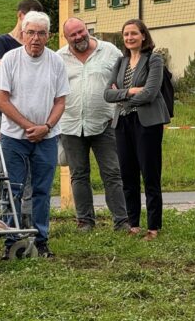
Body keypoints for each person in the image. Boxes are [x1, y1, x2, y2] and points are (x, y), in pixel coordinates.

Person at [0, 11, 70, 257]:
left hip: (46, 138)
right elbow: (2, 101)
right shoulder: (10, 59)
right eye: (30, 32)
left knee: (42, 190)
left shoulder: (56, 62)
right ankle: (10, 242)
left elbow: (60, 102)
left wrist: (45, 127)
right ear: (23, 33)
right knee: (13, 188)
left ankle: (41, 240)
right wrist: (29, 126)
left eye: (41, 33)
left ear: (48, 36)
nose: (35, 38)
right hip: (14, 138)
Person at [58, 17, 129, 232]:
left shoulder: (110, 51)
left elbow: (123, 81)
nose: (79, 36)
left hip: (104, 124)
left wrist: (119, 110)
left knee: (112, 173)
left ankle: (121, 220)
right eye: (73, 35)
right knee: (79, 175)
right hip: (70, 125)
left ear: (86, 30)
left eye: (81, 31)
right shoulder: (58, 58)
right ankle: (85, 221)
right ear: (66, 38)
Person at [104, 19, 170, 241]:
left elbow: (151, 93)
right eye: (126, 34)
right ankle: (133, 224)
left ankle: (153, 226)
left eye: (134, 33)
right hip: (122, 123)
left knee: (150, 175)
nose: (129, 38)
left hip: (147, 123)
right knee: (127, 174)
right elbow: (107, 94)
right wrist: (130, 91)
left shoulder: (154, 59)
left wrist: (122, 96)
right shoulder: (120, 62)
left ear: (143, 35)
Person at [0, 0, 43, 226]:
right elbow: (8, 68)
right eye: (30, 23)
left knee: (28, 171)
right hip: (6, 115)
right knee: (2, 165)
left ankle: (23, 218)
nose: (35, 37)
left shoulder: (39, 47)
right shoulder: (3, 42)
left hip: (32, 117)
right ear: (20, 16)